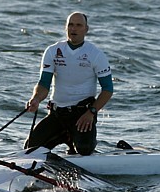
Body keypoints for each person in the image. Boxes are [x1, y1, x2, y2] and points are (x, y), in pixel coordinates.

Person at [24, 12, 113, 155]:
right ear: (66, 28)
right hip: (57, 113)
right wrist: (36, 99)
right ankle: (65, 136)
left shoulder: (95, 54)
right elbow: (44, 84)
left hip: (82, 113)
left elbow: (108, 89)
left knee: (84, 149)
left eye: (79, 25)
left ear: (86, 29)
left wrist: (91, 112)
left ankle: (78, 139)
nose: (74, 29)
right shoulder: (52, 51)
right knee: (30, 149)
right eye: (70, 25)